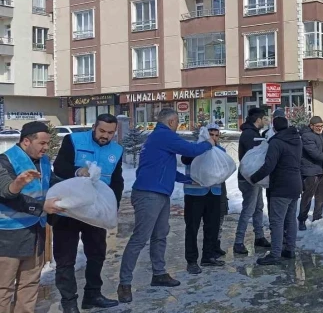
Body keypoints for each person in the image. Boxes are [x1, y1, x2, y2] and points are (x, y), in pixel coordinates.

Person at [118, 108, 215, 303]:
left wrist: (188, 179)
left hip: (159, 193)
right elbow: (191, 150)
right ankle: (124, 283)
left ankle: (159, 273)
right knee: (140, 238)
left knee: (160, 235)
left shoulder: (158, 138)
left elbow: (166, 168)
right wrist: (209, 143)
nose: (178, 126)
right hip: (148, 194)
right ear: (171, 121)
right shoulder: (164, 135)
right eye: (177, 122)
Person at [51, 114, 124, 312]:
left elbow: (116, 180)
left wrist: (113, 207)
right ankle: (69, 303)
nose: (105, 136)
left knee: (97, 254)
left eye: (110, 133)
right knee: (65, 258)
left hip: (95, 212)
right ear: (94, 127)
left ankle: (93, 295)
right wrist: (78, 171)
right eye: (102, 131)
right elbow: (59, 167)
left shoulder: (117, 150)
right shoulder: (73, 140)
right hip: (68, 210)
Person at [0, 121, 64, 313]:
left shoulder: (43, 160)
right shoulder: (6, 161)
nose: (46, 148)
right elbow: (5, 192)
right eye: (42, 143)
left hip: (36, 232)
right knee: (3, 289)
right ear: (26, 141)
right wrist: (17, 185)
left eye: (48, 143)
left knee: (29, 287)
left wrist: (76, 183)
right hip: (9, 236)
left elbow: (50, 182)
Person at [249, 117, 303, 266]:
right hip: (295, 184)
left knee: (277, 221)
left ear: (274, 128)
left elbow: (269, 166)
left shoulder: (276, 142)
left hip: (281, 186)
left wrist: (254, 178)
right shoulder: (297, 140)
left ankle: (275, 254)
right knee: (291, 219)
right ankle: (290, 249)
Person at [180, 124, 228, 275]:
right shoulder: (193, 148)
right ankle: (192, 260)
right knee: (192, 228)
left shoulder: (220, 151)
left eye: (216, 135)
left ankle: (208, 256)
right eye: (210, 135)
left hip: (213, 192)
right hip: (195, 194)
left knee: (212, 226)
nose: (213, 138)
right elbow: (185, 159)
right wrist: (203, 147)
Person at [233, 108, 271, 255]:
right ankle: (238, 241)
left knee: (258, 207)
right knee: (248, 208)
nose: (265, 122)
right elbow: (253, 158)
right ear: (258, 120)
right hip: (248, 178)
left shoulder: (253, 133)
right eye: (264, 119)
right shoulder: (250, 135)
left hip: (254, 177)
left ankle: (259, 236)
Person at [298, 116, 323, 231]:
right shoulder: (306, 136)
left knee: (320, 194)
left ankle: (317, 217)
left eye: (321, 126)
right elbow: (314, 153)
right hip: (310, 171)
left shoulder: (317, 135)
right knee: (308, 196)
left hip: (319, 169)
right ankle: (302, 219)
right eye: (318, 126)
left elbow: (321, 145)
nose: (320, 128)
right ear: (311, 126)